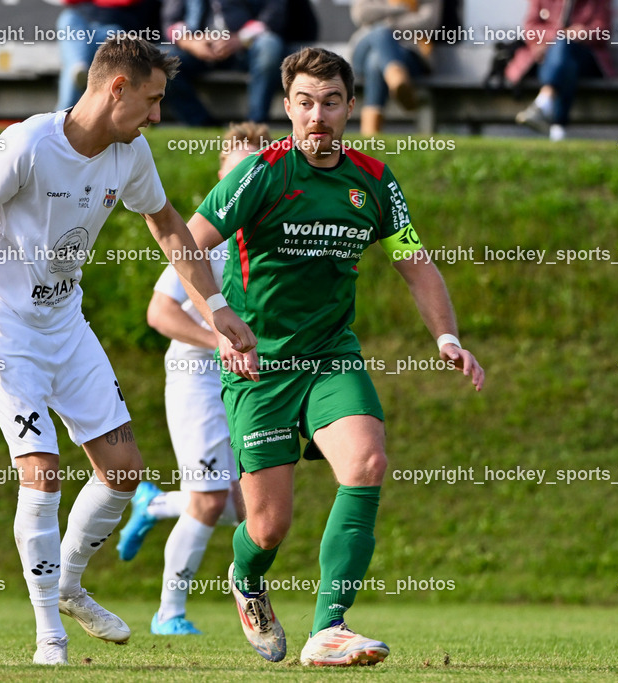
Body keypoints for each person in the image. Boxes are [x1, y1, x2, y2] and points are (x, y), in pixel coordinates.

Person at [0, 38, 255, 666]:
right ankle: (49, 631)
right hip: (0, 324)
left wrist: (216, 307)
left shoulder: (130, 152)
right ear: (117, 89)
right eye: (153, 100)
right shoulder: (29, 144)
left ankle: (69, 582)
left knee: (125, 473)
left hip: (64, 323)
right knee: (42, 470)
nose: (157, 115)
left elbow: (168, 227)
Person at [185, 46, 484, 666]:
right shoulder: (260, 173)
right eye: (303, 103)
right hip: (260, 366)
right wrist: (220, 320)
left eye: (330, 102)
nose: (316, 116)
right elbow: (186, 242)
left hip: (330, 357)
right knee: (266, 529)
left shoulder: (374, 181)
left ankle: (329, 628)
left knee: (368, 462)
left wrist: (447, 339)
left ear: (351, 107)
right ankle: (245, 577)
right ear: (287, 107)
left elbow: (414, 262)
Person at [117, 122, 273, 637]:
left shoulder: (272, 236)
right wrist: (221, 342)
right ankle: (169, 613)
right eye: (237, 171)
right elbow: (159, 312)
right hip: (197, 380)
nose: (248, 179)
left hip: (246, 383)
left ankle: (154, 502)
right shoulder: (204, 237)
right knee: (209, 500)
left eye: (258, 169)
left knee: (248, 507)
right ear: (222, 178)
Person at [160, 0, 288, 125]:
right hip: (197, 48)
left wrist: (241, 39)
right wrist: (190, 42)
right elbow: (171, 21)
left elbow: (273, 14)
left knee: (269, 46)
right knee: (161, 59)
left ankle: (255, 123)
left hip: (247, 47)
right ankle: (200, 123)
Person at [508, 0, 613, 142]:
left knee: (565, 50)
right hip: (546, 57)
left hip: (584, 57)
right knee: (565, 60)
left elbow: (603, 30)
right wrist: (560, 35)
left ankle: (543, 103)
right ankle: (558, 126)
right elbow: (530, 28)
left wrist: (584, 33)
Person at [348, 0, 441, 136]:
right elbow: (361, 13)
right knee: (380, 34)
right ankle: (398, 80)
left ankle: (370, 134)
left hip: (409, 51)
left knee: (375, 61)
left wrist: (386, 25)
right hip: (366, 45)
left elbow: (428, 22)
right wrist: (399, 10)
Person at [54, 0, 160, 111]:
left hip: (118, 33)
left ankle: (61, 115)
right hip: (84, 29)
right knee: (68, 18)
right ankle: (79, 66)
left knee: (75, 63)